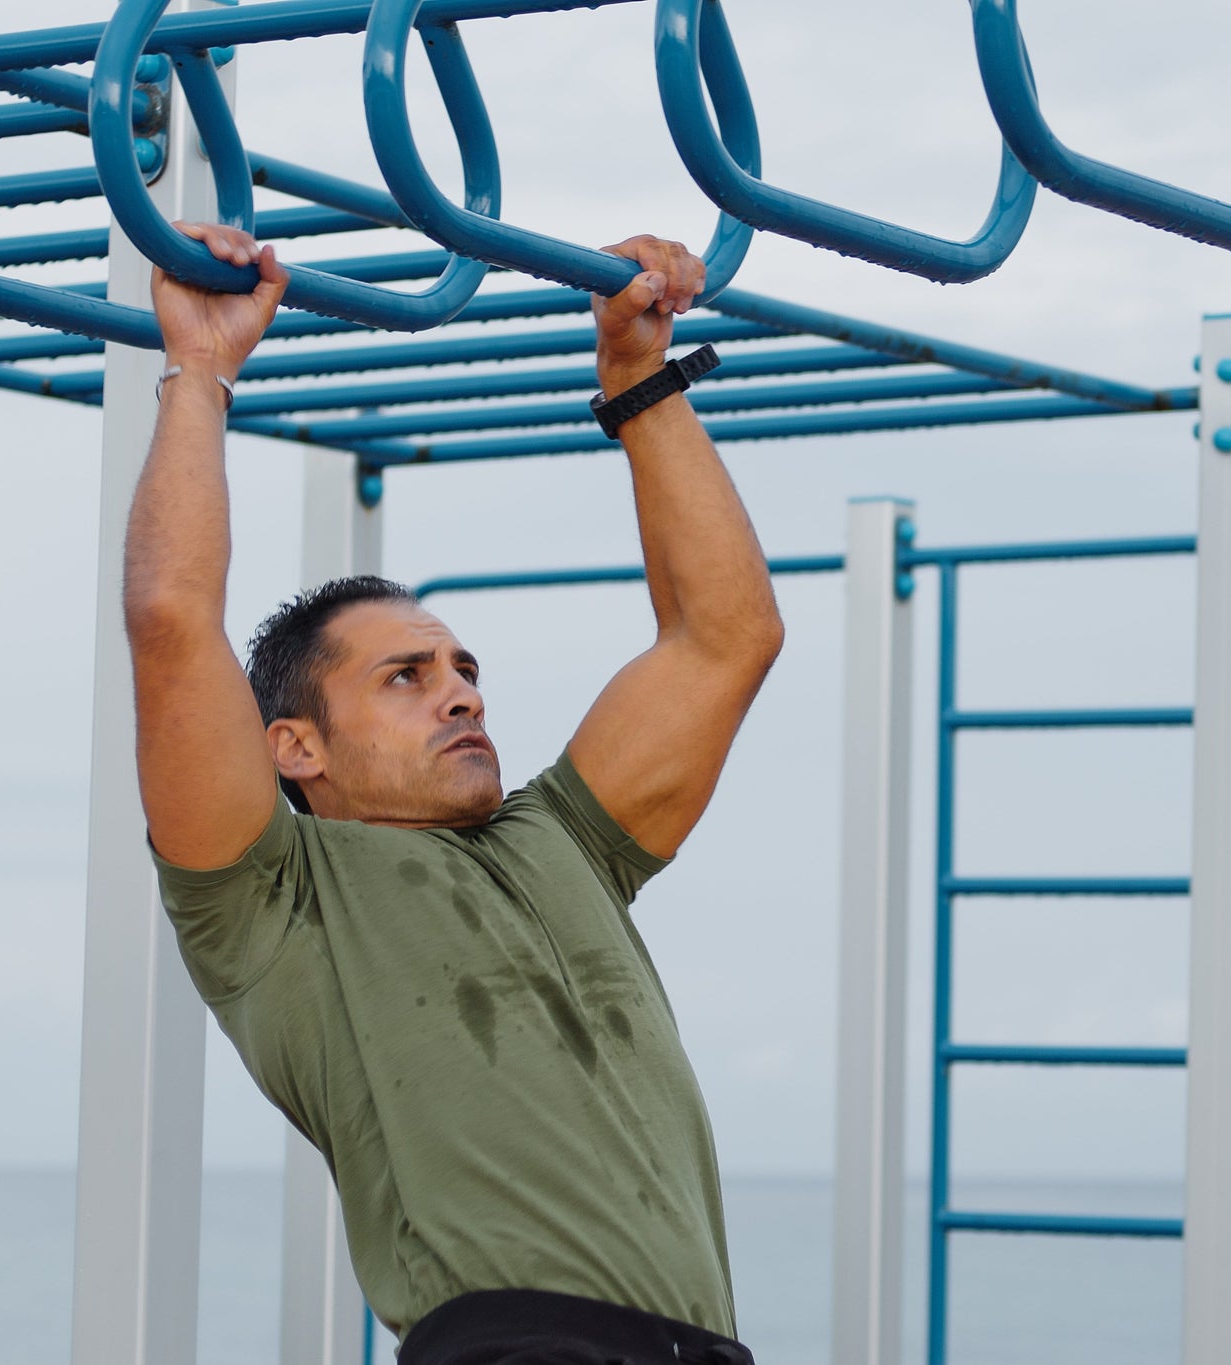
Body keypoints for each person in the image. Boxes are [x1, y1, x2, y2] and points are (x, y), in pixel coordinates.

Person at [124, 222, 781, 1365]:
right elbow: (172, 626)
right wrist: (199, 370)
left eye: (464, 669)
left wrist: (637, 378)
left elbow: (727, 638)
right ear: (295, 749)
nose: (461, 695)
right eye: (406, 676)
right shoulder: (269, 901)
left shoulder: (559, 841)